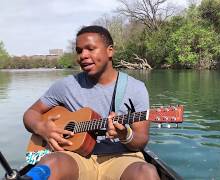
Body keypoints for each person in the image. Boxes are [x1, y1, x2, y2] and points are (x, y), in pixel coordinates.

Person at [23, 25, 160, 180]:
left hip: (122, 158)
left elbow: (141, 140)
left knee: (146, 173)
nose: (83, 55)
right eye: (79, 50)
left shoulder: (135, 88)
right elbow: (31, 113)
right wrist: (41, 128)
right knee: (51, 162)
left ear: (110, 51)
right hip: (75, 157)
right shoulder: (65, 86)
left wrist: (125, 135)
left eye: (90, 48)